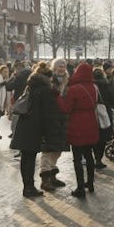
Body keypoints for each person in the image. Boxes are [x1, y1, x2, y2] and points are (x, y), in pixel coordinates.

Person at [10, 67, 61, 198]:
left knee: (25, 158)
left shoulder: (30, 87)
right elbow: (47, 113)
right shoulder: (44, 90)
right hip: (34, 128)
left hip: (23, 126)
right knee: (30, 159)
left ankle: (27, 187)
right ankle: (29, 188)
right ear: (47, 78)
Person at [56, 62, 100, 198]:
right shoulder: (94, 87)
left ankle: (80, 188)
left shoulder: (74, 89)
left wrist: (58, 97)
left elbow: (66, 108)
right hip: (91, 124)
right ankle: (90, 184)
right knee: (89, 156)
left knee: (77, 159)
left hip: (77, 125)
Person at [39, 59, 69, 191]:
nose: (62, 68)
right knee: (48, 149)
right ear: (54, 67)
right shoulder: (50, 81)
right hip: (51, 118)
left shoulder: (68, 81)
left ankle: (52, 174)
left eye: (63, 66)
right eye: (59, 66)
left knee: (58, 149)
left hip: (63, 119)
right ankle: (45, 179)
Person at [92, 66, 114, 169]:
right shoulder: (107, 85)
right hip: (105, 113)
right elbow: (113, 99)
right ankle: (99, 159)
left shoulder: (91, 86)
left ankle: (95, 157)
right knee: (103, 138)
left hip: (93, 114)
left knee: (94, 137)